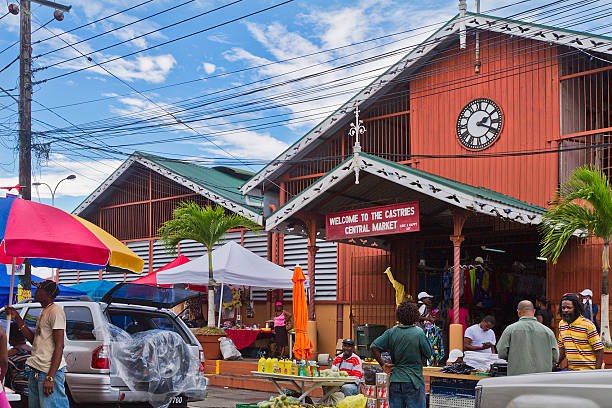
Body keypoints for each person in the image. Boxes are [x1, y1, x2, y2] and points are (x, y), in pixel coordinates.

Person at [6, 280, 69, 408]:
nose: (36, 291)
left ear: (48, 293)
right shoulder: (45, 311)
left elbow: (59, 346)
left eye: (39, 289)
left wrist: (50, 377)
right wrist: (17, 317)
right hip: (37, 370)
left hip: (48, 371)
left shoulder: (55, 312)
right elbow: (34, 341)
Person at [370, 301, 432, 408]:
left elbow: (374, 346)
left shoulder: (391, 332)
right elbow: (428, 353)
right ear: (415, 315)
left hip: (395, 380)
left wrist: (383, 365)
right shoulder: (419, 333)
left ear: (399, 316)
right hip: (414, 381)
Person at [496, 300, 558, 375]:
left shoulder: (510, 330)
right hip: (542, 379)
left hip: (517, 377)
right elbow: (556, 357)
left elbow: (502, 353)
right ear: (534, 311)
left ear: (518, 312)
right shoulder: (548, 332)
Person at [557, 293, 603, 370]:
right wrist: (555, 364)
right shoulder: (562, 324)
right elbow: (562, 348)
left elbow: (599, 350)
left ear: (576, 308)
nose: (565, 310)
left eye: (569, 307)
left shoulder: (588, 325)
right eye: (563, 308)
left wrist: (596, 373)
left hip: (588, 372)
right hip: (572, 371)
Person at [6, 321, 32, 406]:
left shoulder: (10, 356)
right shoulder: (33, 350)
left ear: (10, 338)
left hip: (19, 393)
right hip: (34, 391)